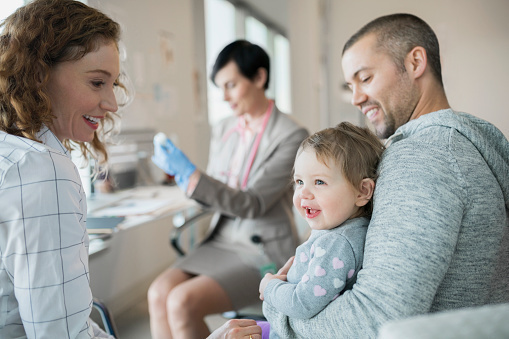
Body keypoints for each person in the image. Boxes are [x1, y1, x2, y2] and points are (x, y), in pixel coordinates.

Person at [210, 13, 509, 339]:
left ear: (415, 62)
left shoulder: (422, 160)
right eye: (350, 86)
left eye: (365, 78)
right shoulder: (471, 138)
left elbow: (372, 320)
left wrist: (276, 312)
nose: (355, 98)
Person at [149, 40, 309, 339]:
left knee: (181, 302)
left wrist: (193, 177)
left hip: (261, 250)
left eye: (231, 85)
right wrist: (183, 180)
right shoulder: (224, 129)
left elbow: (253, 203)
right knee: (159, 292)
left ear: (259, 78)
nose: (224, 97)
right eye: (220, 87)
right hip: (222, 238)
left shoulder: (291, 135)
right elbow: (216, 189)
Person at [0, 0, 129, 337]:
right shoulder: (40, 170)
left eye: (113, 84)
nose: (112, 103)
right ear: (39, 74)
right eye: (98, 83)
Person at [258, 122, 384, 335]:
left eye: (319, 182)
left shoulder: (337, 243)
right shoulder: (336, 230)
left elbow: (302, 304)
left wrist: (269, 288)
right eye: (299, 181)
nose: (304, 193)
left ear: (363, 191)